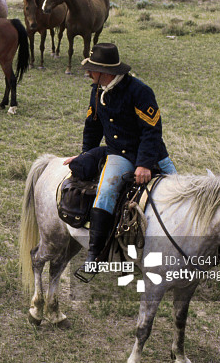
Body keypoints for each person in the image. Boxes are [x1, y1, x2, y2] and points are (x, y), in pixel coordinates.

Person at [63, 43, 176, 271]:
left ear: (105, 72)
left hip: (151, 155)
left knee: (180, 193)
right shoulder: (97, 91)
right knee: (105, 193)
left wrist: (144, 164)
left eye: (91, 69)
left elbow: (151, 130)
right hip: (119, 154)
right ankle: (95, 254)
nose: (88, 73)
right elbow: (92, 126)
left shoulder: (140, 91)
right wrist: (86, 154)